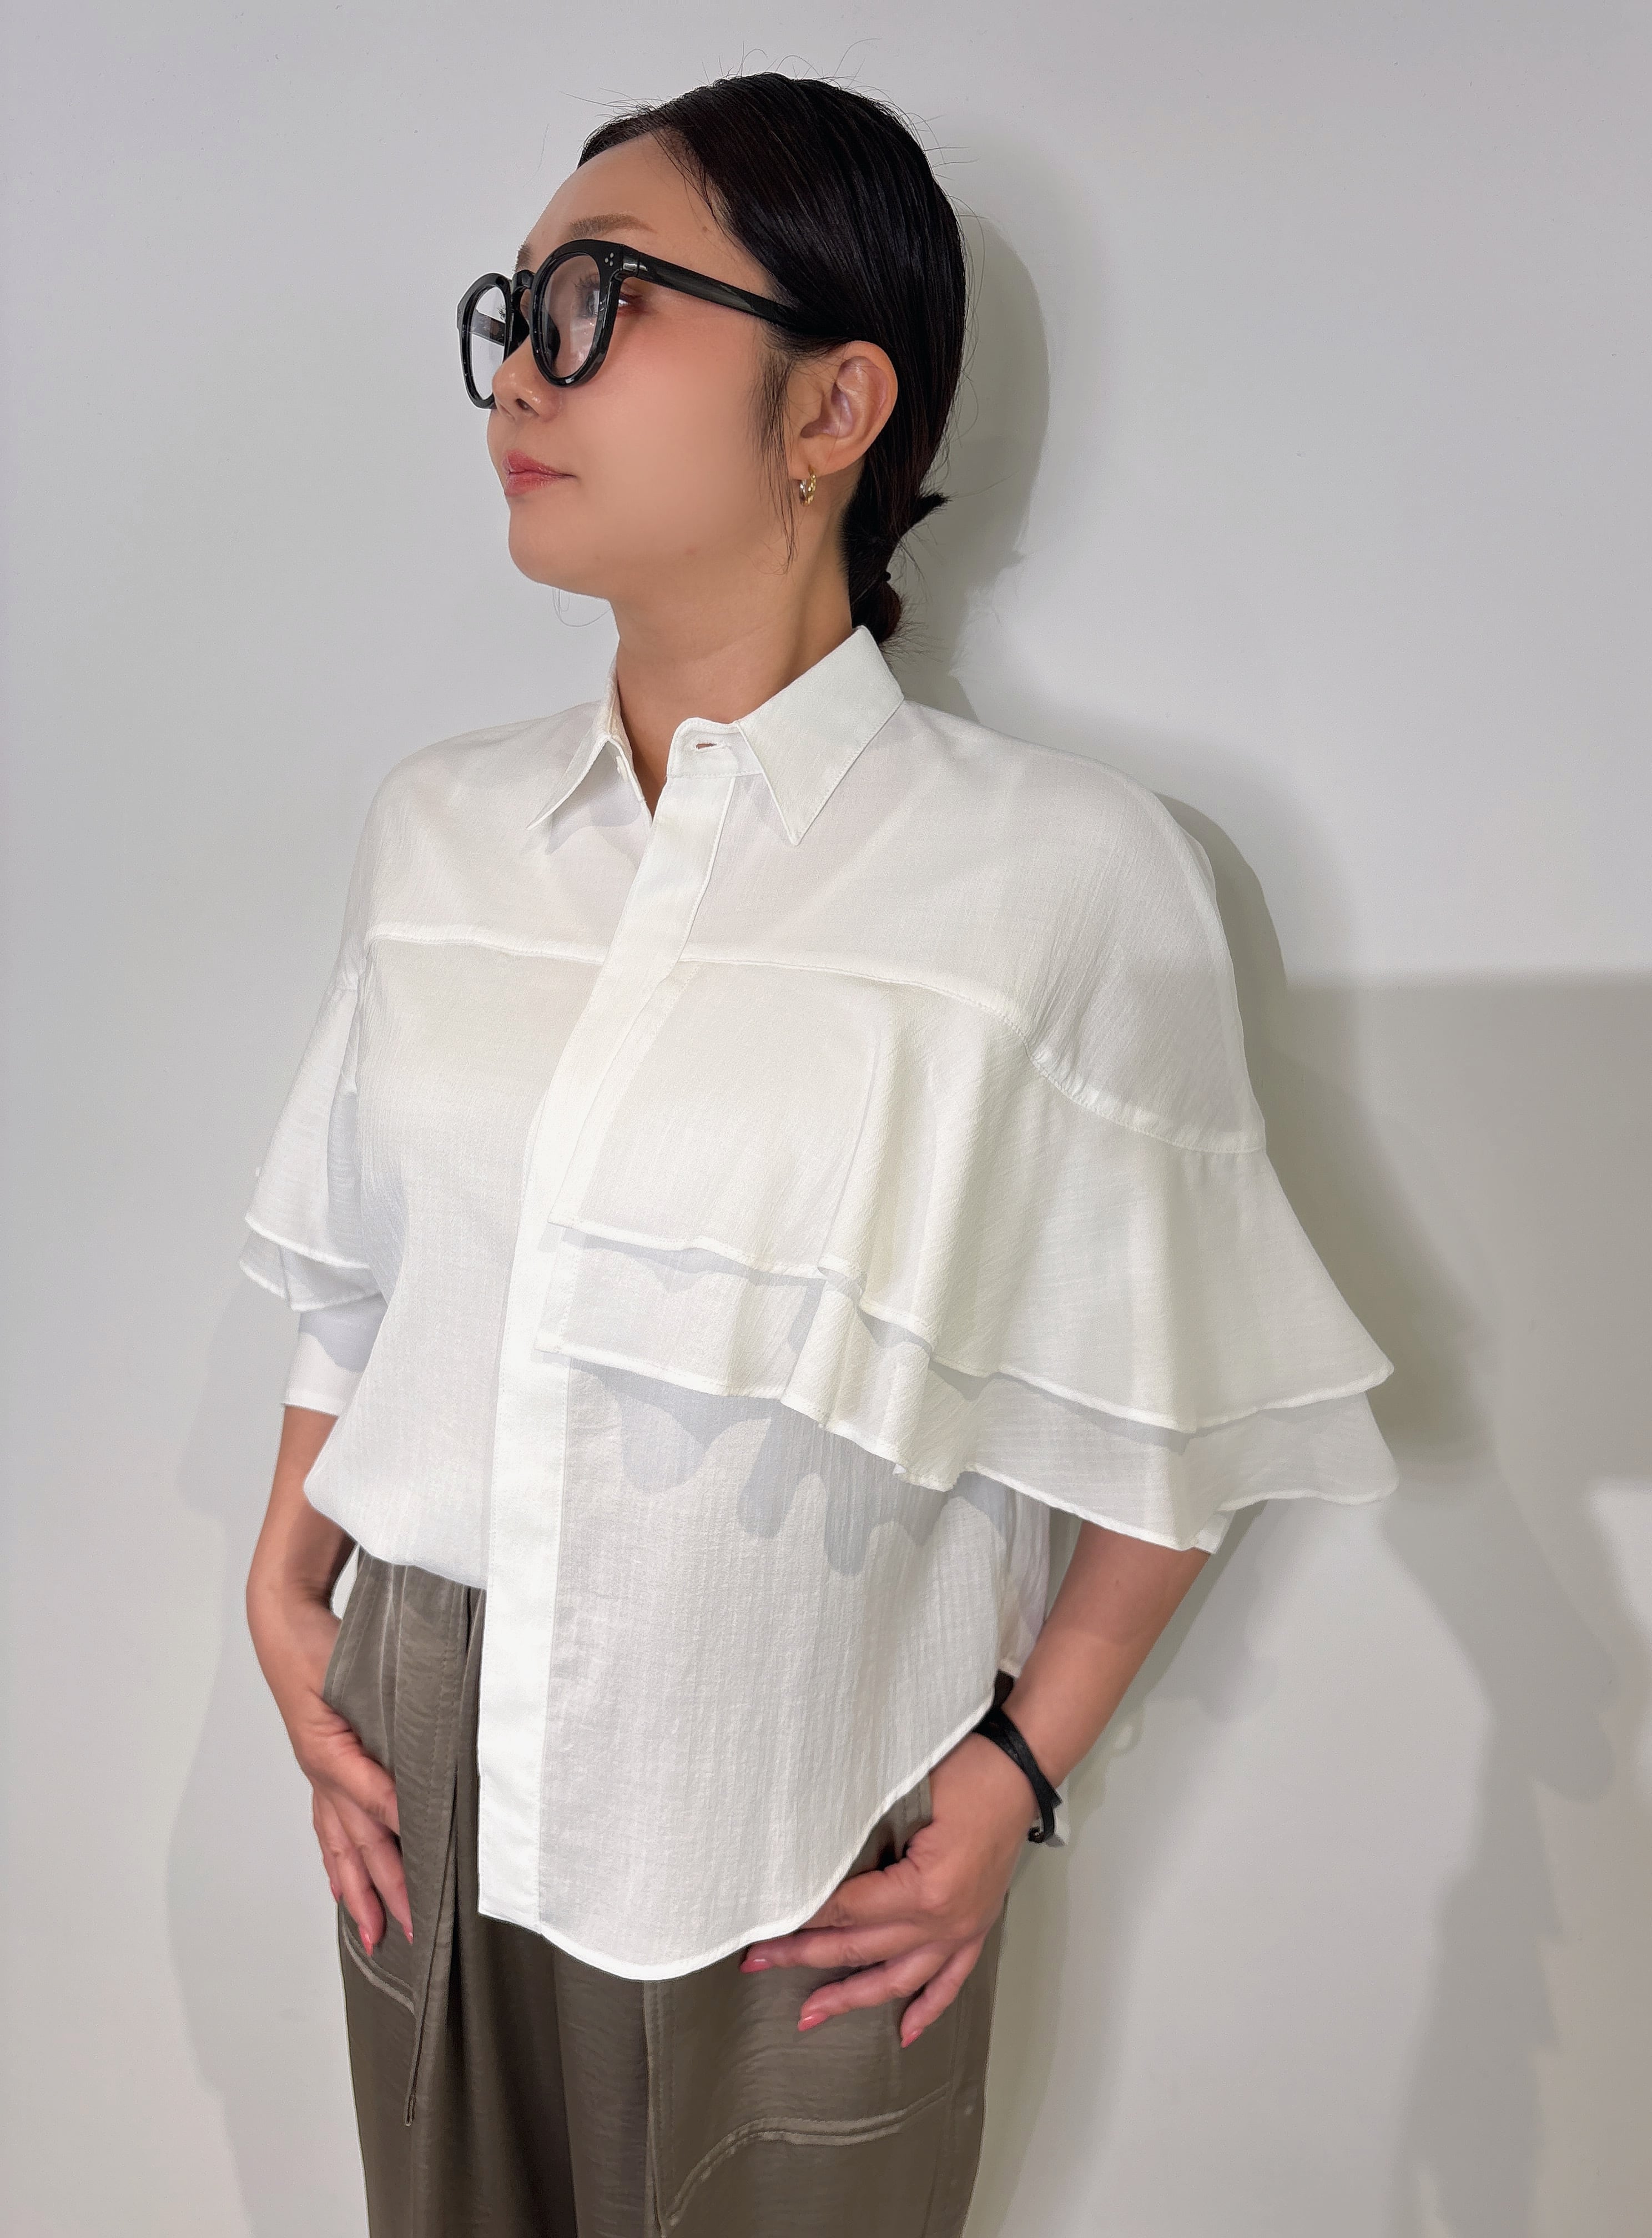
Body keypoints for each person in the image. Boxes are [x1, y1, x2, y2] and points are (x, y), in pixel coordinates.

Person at [240, 69, 1398, 2238]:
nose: (524, 370)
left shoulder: (1061, 878)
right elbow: (363, 1272)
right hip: (419, 1740)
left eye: (602, 300)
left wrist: (1019, 1770)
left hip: (794, 1773)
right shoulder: (441, 829)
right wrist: (281, 1578)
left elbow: (1187, 1401)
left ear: (835, 405)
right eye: (514, 309)